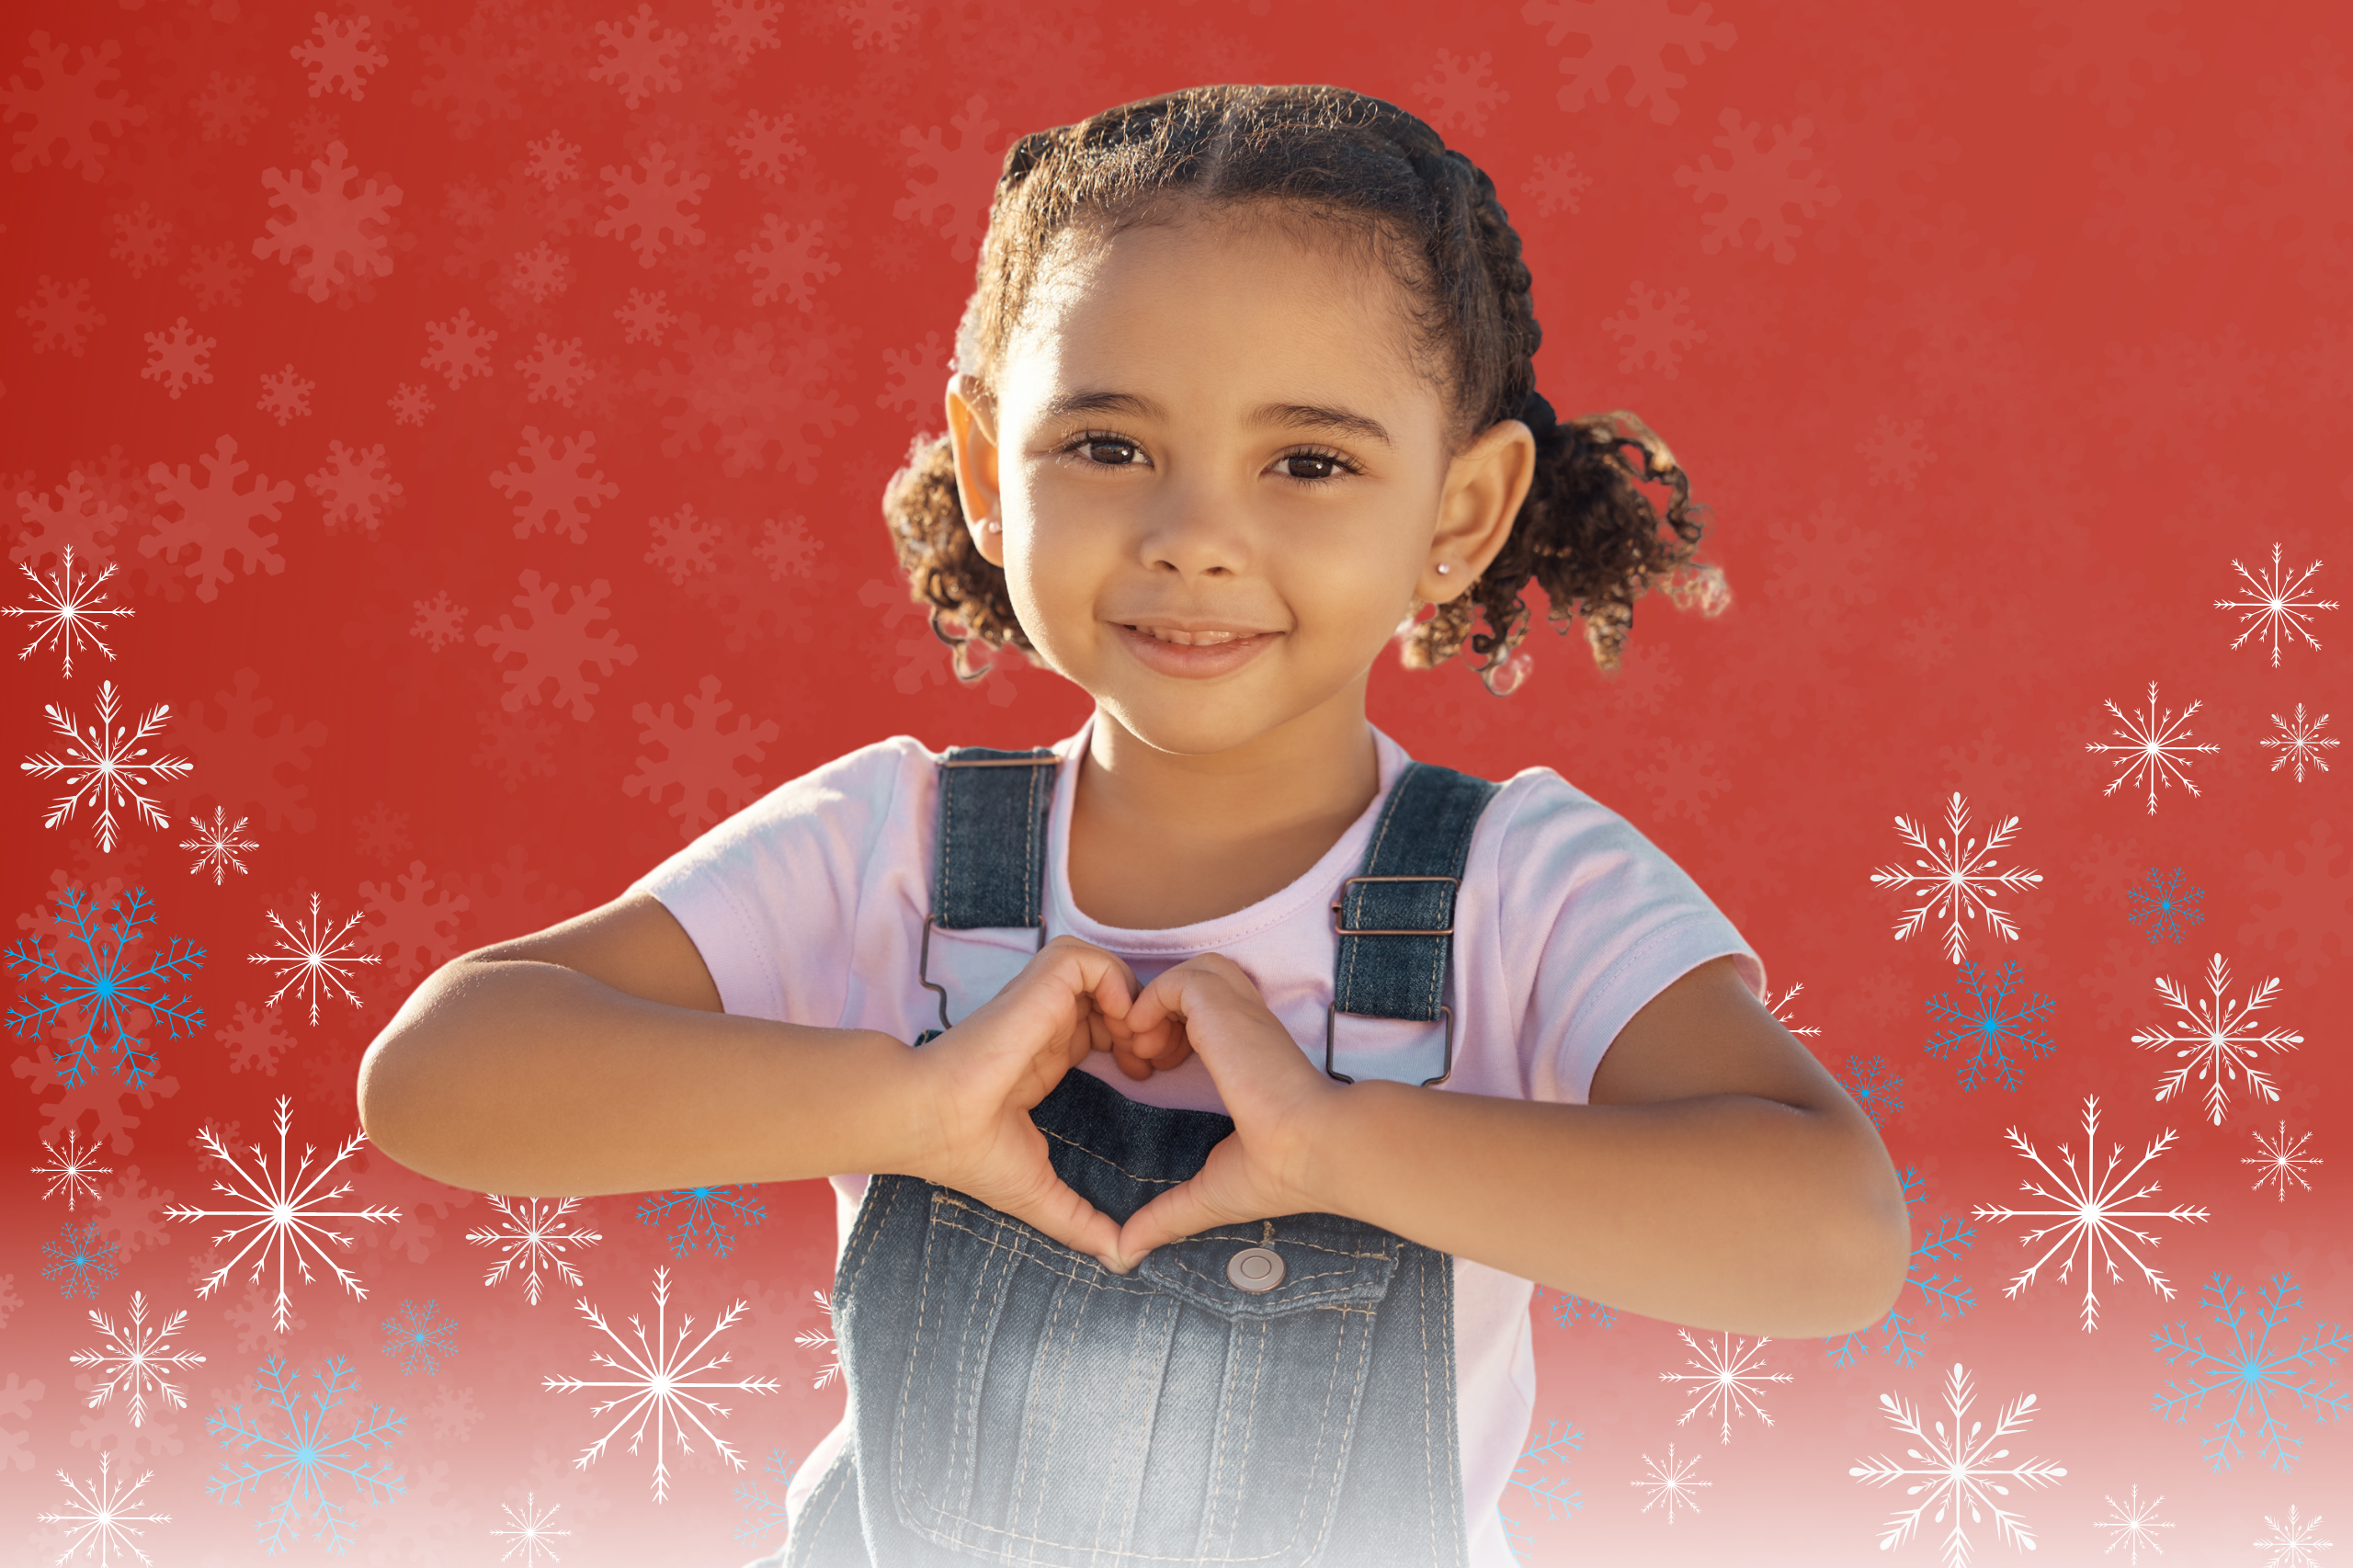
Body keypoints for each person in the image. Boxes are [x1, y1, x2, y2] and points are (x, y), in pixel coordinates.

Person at [358, 83, 1908, 1568]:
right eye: (1108, 447)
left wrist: (1342, 1140)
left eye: (1308, 462)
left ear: (1459, 512)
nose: (1193, 538)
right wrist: (910, 1104)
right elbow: (441, 1077)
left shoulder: (1527, 890)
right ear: (985, 465)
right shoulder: (887, 847)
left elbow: (1836, 1237)